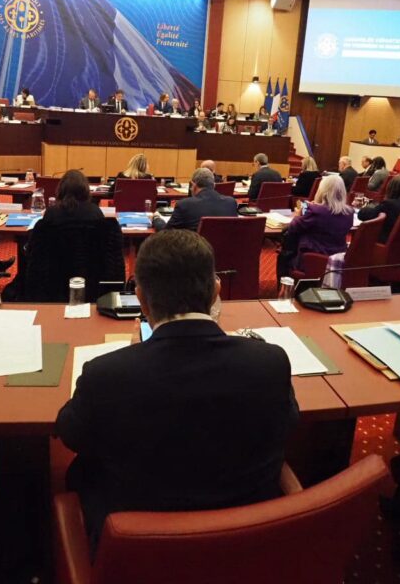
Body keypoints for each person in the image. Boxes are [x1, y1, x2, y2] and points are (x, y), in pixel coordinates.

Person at [55, 229, 299, 550]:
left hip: (137, 553)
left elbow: (70, 433)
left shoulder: (105, 375)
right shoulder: (270, 362)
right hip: (246, 547)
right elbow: (288, 424)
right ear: (215, 292)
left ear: (140, 298)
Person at [277, 175, 354, 278]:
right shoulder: (349, 212)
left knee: (284, 255)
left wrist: (299, 214)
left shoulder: (315, 211)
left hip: (311, 259)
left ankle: (285, 285)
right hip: (337, 259)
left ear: (322, 191)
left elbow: (293, 227)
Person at [155, 168, 237, 232]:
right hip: (226, 248)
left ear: (193, 185)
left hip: (195, 248)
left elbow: (166, 233)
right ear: (214, 185)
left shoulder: (185, 205)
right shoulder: (231, 203)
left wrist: (156, 219)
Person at [357, 174, 400, 242]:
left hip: (389, 244)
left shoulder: (389, 205)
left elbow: (362, 215)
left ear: (392, 188)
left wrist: (368, 206)